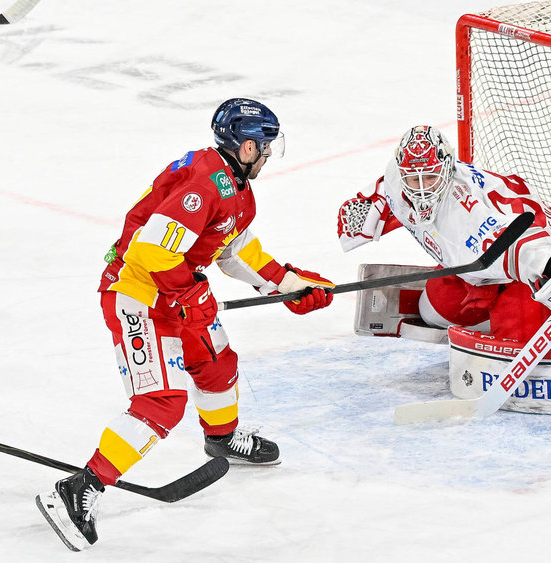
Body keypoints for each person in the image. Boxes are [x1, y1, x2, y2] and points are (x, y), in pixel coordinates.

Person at [36, 98, 334, 551]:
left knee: (216, 364)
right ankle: (81, 487)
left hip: (176, 292)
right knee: (161, 404)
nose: (270, 154)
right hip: (137, 294)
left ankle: (222, 439)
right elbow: (149, 254)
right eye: (266, 145)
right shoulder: (203, 182)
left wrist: (291, 285)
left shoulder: (235, 187)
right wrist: (191, 296)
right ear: (246, 146)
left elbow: (235, 253)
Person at [336, 124, 551, 424]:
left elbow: (524, 243)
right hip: (478, 267)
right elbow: (381, 196)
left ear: (447, 168)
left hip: (534, 262)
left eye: (430, 177)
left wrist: (549, 268)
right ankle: (495, 314)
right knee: (432, 310)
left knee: (515, 346)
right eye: (415, 177)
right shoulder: (398, 183)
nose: (422, 187)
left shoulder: (467, 211)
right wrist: (363, 218)